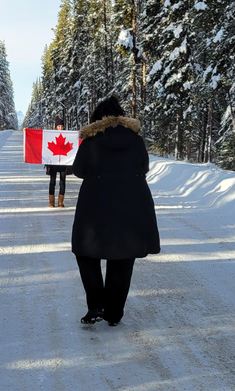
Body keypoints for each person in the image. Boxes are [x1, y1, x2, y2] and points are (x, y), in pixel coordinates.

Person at [71, 96, 160, 326]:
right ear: (120, 116)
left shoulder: (91, 140)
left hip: (95, 204)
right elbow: (144, 167)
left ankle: (96, 304)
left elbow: (78, 170)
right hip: (132, 203)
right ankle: (113, 313)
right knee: (123, 256)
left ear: (97, 118)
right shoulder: (136, 140)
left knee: (85, 252)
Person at [46, 117, 71, 208]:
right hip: (53, 163)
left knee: (62, 182)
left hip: (63, 163)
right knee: (52, 182)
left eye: (61, 126)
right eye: (58, 126)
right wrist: (26, 132)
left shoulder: (68, 136)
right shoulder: (50, 135)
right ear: (56, 127)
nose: (60, 128)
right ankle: (51, 202)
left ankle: (61, 202)